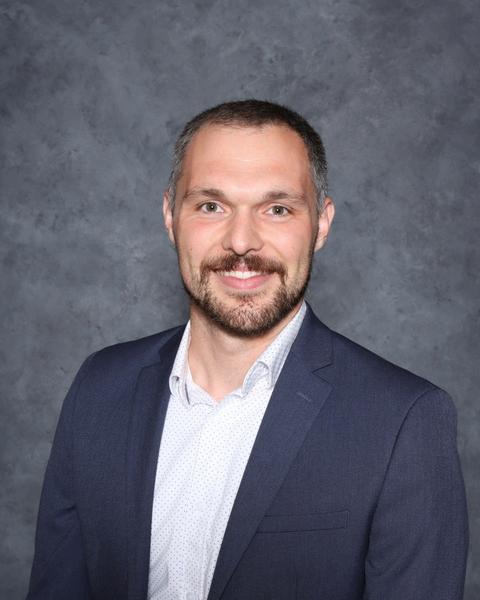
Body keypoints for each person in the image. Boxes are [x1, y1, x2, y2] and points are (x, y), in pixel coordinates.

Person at [27, 100, 468, 600]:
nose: (241, 242)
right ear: (170, 216)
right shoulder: (100, 387)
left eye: (277, 209)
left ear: (321, 225)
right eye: (211, 206)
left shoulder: (404, 420)